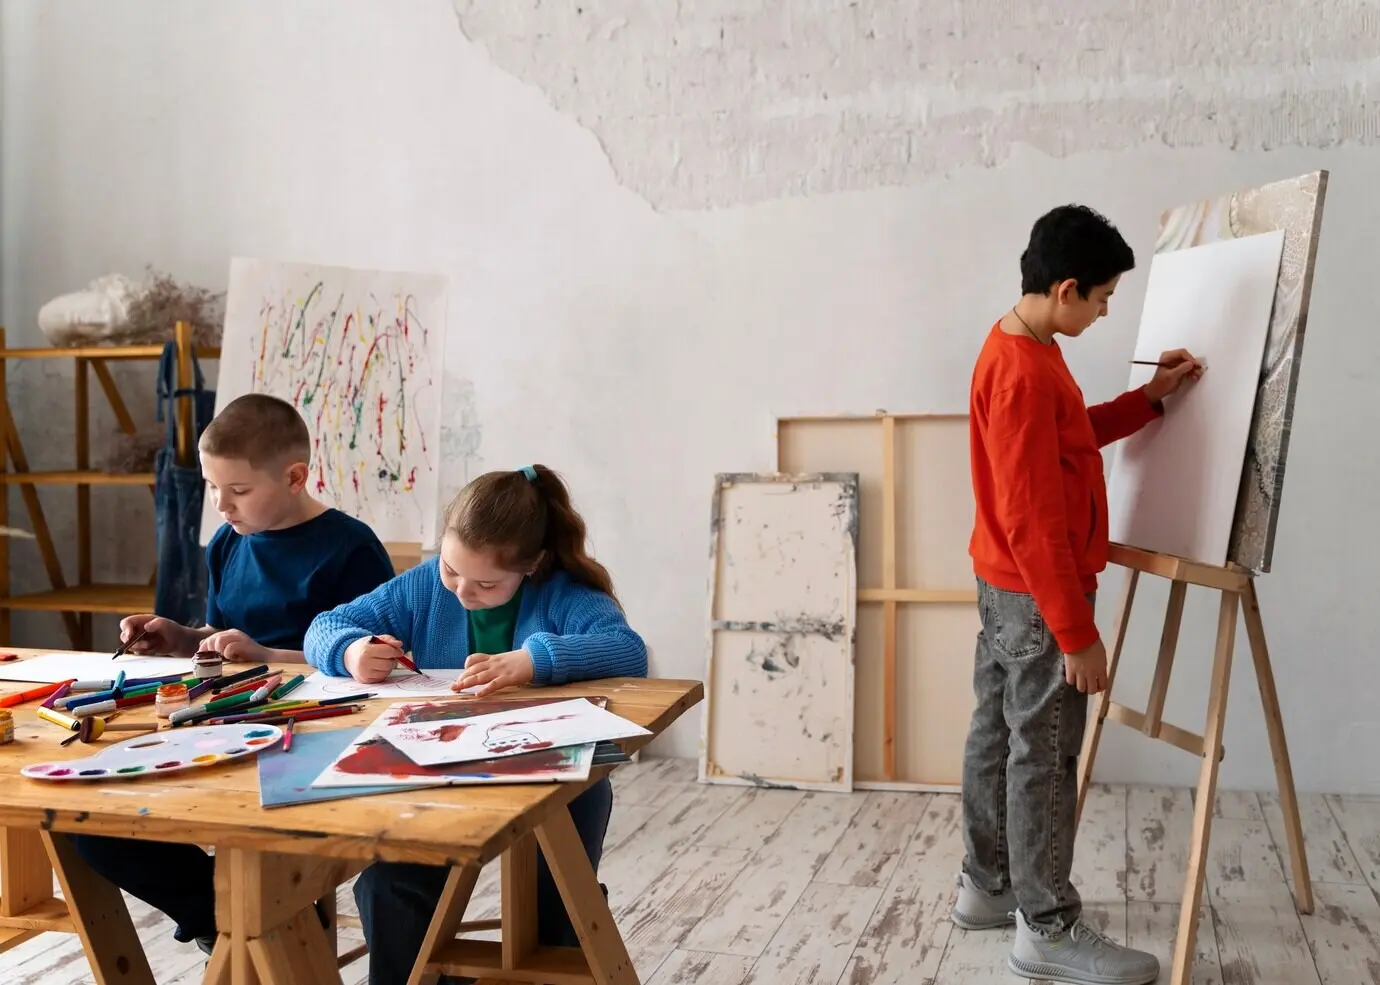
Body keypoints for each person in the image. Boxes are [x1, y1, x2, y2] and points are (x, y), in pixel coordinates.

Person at [957, 205, 1203, 985]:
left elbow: (1067, 441)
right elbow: (1034, 521)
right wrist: (1076, 634)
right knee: (1045, 756)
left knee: (996, 734)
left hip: (1003, 585)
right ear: (1065, 288)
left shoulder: (1020, 344)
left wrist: (1150, 399)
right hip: (1038, 594)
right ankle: (1048, 927)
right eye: (1100, 299)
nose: (1103, 313)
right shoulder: (1027, 372)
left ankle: (989, 884)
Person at [69, 393, 397, 955]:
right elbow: (224, 644)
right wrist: (182, 638)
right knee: (88, 821)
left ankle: (249, 926)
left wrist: (265, 652)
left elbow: (375, 665)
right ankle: (227, 920)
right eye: (212, 487)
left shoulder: (349, 548)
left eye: (239, 490)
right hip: (224, 722)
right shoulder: (227, 543)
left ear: (295, 477)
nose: (221, 504)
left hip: (317, 734)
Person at [304, 464, 648, 985]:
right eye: (451, 570)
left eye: (486, 583)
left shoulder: (562, 594)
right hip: (443, 776)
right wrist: (352, 649)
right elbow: (324, 625)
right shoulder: (424, 586)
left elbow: (628, 650)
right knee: (387, 888)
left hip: (556, 780)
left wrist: (533, 661)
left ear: (532, 565)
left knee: (555, 906)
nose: (462, 590)